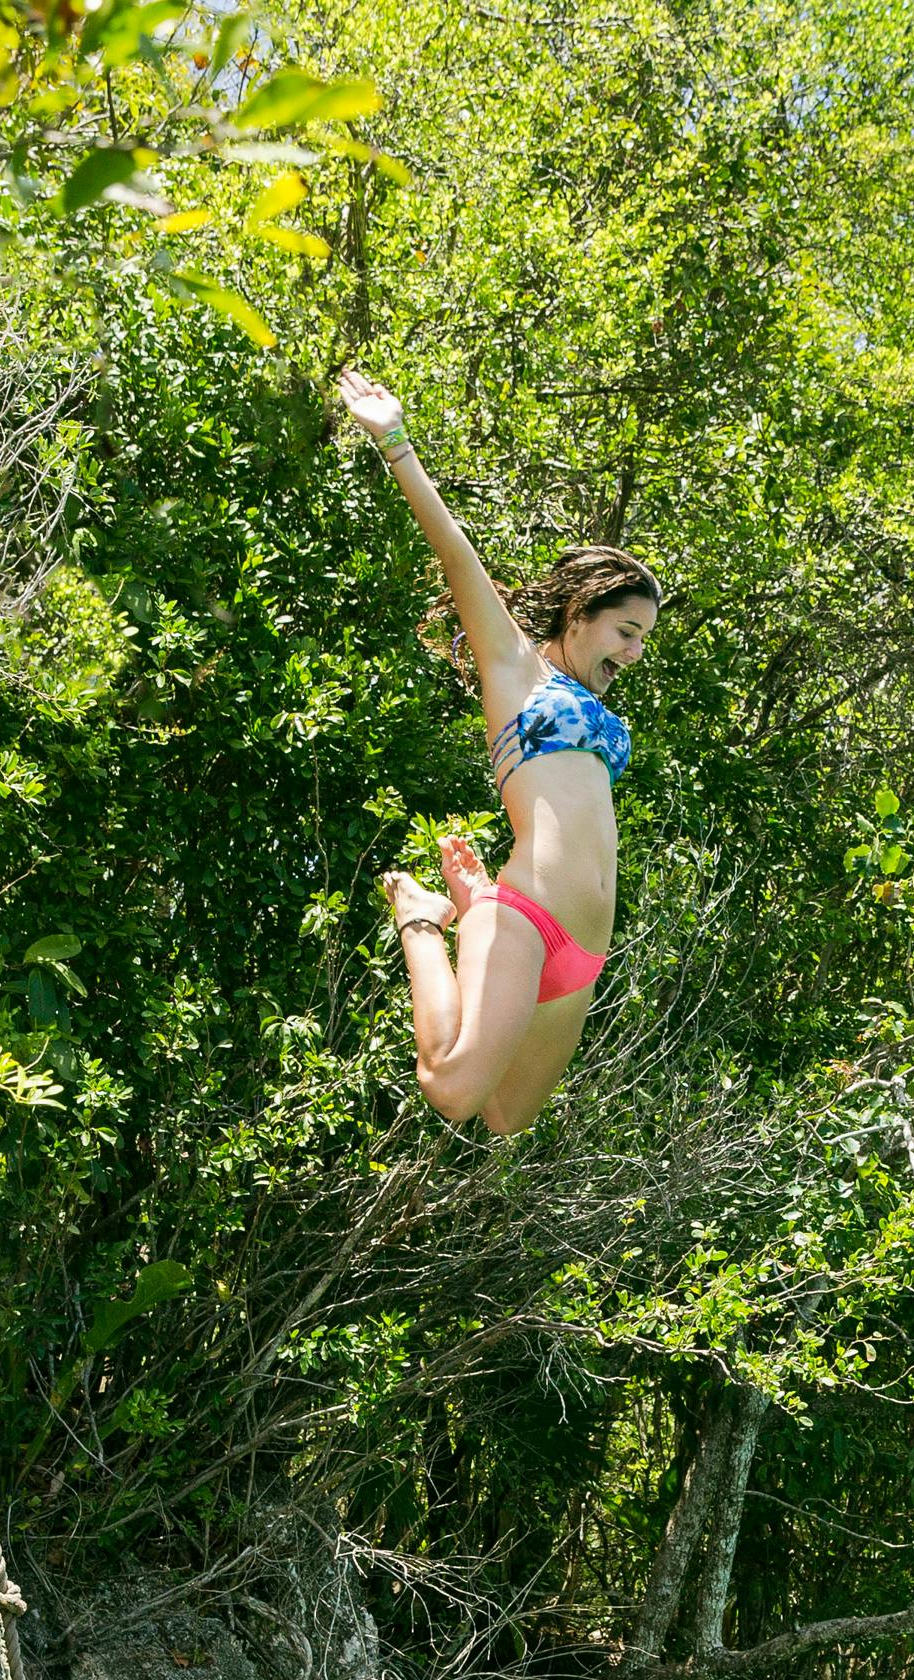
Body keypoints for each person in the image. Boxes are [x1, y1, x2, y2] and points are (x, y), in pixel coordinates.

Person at [338, 369, 659, 1136]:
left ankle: (466, 906)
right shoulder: (517, 669)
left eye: (644, 640)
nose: (636, 654)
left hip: (584, 945)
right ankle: (423, 916)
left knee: (507, 1117)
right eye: (627, 632)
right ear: (581, 613)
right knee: (452, 1090)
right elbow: (456, 554)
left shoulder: (594, 704)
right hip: (531, 915)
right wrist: (395, 440)